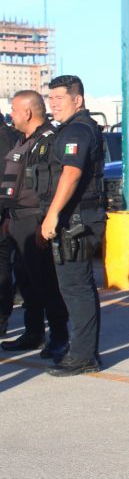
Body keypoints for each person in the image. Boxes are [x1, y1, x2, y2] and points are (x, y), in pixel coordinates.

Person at [38, 75, 106, 376]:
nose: (53, 104)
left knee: (77, 288)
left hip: (76, 220)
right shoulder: (73, 128)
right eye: (50, 99)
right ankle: (80, 349)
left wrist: (52, 215)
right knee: (76, 287)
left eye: (59, 99)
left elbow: (71, 174)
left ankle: (83, 356)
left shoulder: (77, 129)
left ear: (77, 100)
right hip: (78, 217)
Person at [0, 91, 70, 361]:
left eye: (15, 110)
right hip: (17, 219)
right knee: (27, 282)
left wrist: (44, 223)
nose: (12, 115)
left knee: (46, 282)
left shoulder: (48, 141)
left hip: (35, 220)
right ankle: (33, 332)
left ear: (27, 113)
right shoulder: (23, 141)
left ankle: (60, 336)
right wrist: (8, 217)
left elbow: (51, 189)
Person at [0, 113, 18, 336]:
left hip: (5, 212)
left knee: (3, 267)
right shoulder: (15, 137)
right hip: (8, 211)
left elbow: (10, 180)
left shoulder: (7, 139)